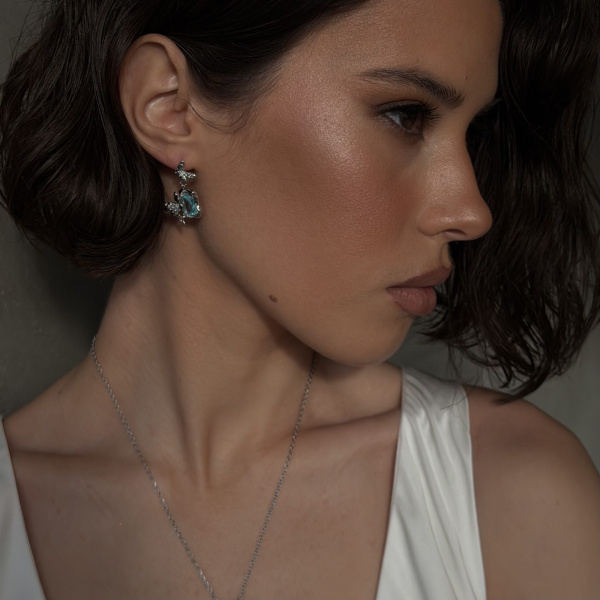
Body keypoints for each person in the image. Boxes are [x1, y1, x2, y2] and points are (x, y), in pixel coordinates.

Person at [0, 0, 599, 598]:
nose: (470, 211)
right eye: (405, 115)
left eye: (473, 134)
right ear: (170, 106)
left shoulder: (514, 498)